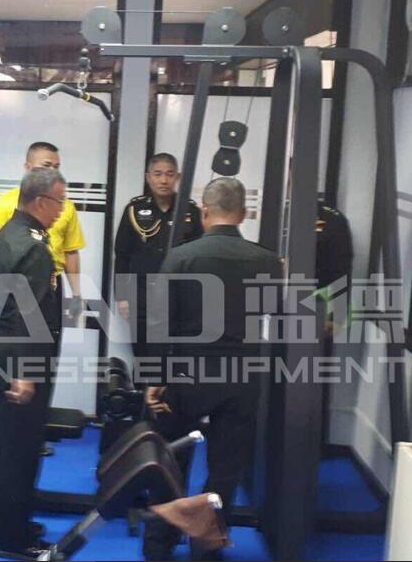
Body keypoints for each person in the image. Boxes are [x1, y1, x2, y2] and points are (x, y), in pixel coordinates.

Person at [142, 177, 283, 561]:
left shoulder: (181, 257)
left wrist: (156, 378)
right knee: (225, 468)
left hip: (187, 372)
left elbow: (160, 323)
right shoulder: (267, 261)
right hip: (241, 374)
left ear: (204, 213)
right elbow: (273, 316)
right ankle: (206, 549)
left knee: (172, 459)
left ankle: (158, 545)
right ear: (243, 214)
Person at [0, 142, 85, 457]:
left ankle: (32, 433)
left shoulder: (62, 207)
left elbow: (71, 251)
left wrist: (76, 294)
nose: (51, 170)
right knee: (24, 376)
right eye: (44, 165)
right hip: (23, 292)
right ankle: (21, 442)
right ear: (27, 168)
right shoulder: (6, 208)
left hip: (48, 288)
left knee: (44, 365)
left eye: (55, 165)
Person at [0, 167, 67, 560]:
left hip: (4, 352)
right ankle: (14, 539)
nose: (61, 210)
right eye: (58, 202)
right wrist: (25, 373)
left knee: (3, 443)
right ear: (39, 201)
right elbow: (27, 315)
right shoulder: (33, 248)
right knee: (21, 449)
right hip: (23, 362)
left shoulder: (8, 233)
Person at [114, 153, 203, 384]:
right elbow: (122, 256)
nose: (164, 180)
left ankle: (168, 401)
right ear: (148, 177)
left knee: (174, 355)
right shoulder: (134, 210)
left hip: (178, 296)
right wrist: (122, 297)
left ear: (178, 178)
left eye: (169, 174)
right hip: (142, 295)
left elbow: (200, 259)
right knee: (142, 353)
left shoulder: (191, 212)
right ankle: (142, 399)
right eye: (158, 174)